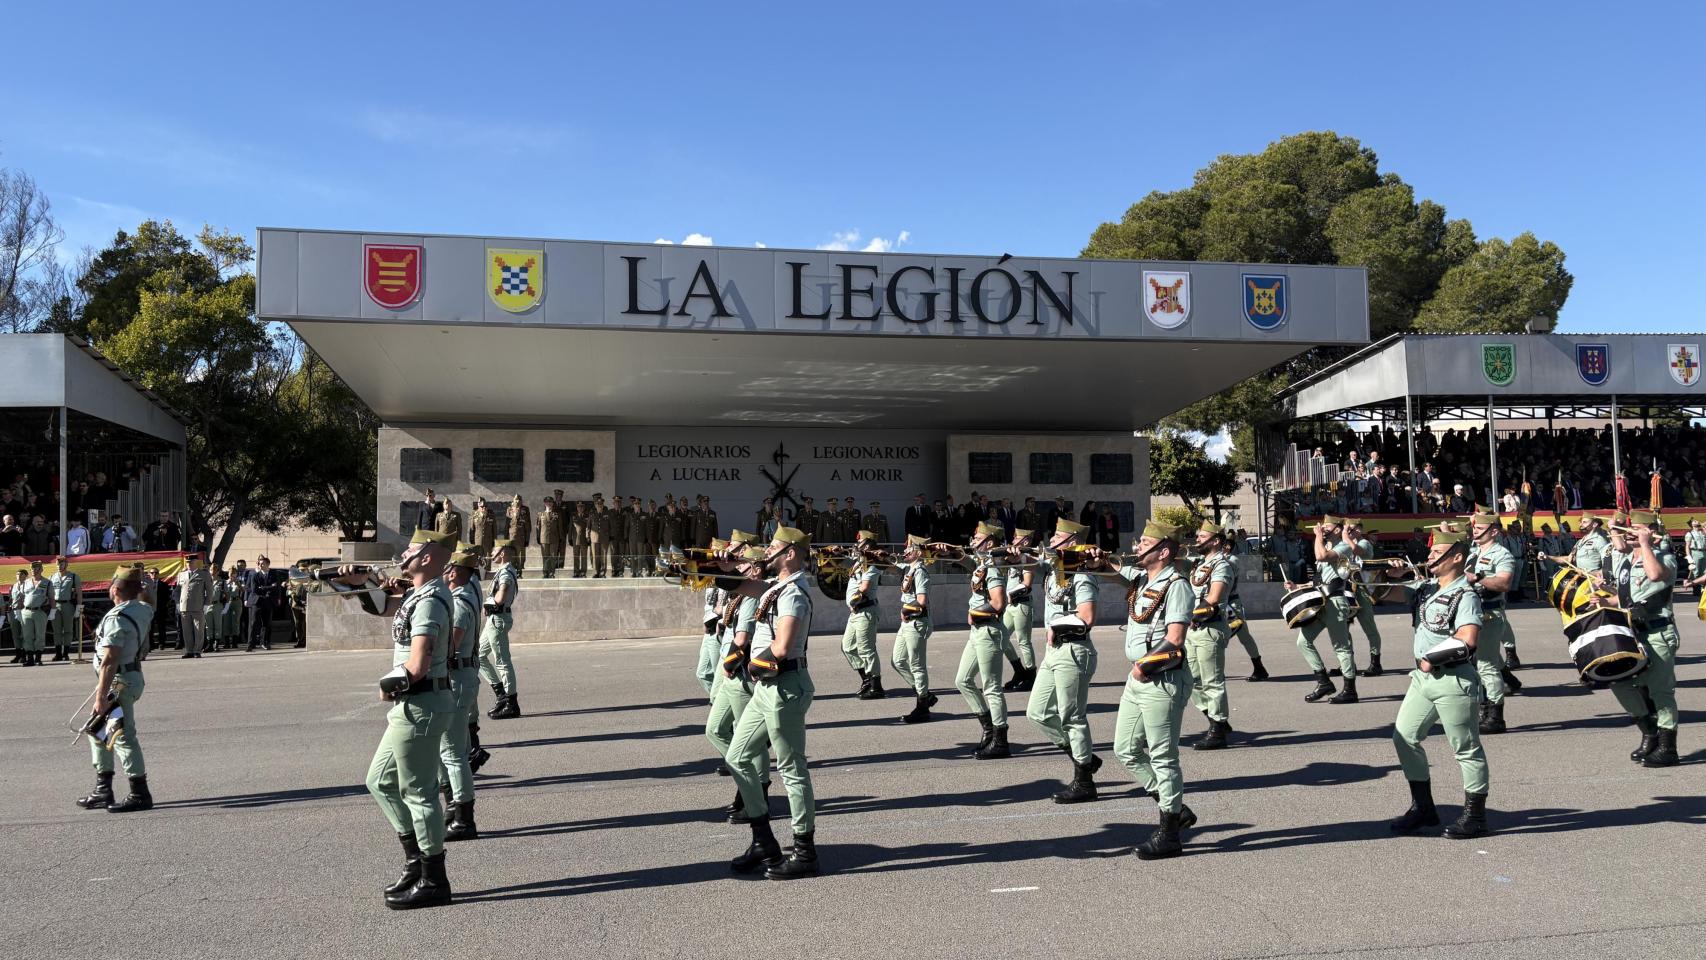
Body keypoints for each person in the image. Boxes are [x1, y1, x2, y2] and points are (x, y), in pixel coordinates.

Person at [333, 527, 457, 909]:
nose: (404, 553)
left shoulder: (433, 599)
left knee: (419, 793)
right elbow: (383, 606)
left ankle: (435, 878)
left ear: (429, 556)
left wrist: (389, 682)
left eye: (413, 549)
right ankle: (416, 861)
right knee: (379, 782)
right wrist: (352, 583)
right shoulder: (417, 595)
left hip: (419, 703)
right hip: (410, 706)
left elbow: (418, 663)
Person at [723, 526, 820, 880]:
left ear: (791, 553)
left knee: (792, 769)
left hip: (786, 687)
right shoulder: (775, 588)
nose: (766, 552)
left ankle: (805, 850)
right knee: (736, 757)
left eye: (774, 547)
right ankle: (763, 840)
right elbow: (737, 586)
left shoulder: (793, 593)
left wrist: (749, 661)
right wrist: (726, 566)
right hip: (767, 689)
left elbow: (781, 649)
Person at [1383, 527, 1491, 839]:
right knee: (1404, 737)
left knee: (1466, 748)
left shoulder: (1465, 594)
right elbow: (1383, 594)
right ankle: (1423, 807)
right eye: (1429, 553)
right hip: (1422, 681)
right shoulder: (1426, 588)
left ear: (1456, 557)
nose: (1429, 556)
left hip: (1452, 679)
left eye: (1436, 552)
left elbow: (1468, 639)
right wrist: (1384, 576)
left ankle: (1476, 816)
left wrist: (1432, 657)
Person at [1104, 519, 1198, 859]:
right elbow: (1113, 574)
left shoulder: (1177, 585)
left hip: (1161, 677)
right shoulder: (1143, 578)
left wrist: (1144, 666)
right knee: (1125, 749)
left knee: (1163, 756)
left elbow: (1175, 640)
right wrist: (1092, 559)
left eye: (1145, 541)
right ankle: (1176, 808)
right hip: (1138, 678)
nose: (1137, 545)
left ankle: (1169, 832)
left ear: (1164, 550)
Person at [1027, 518, 1101, 803]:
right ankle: (1084, 757)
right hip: (1054, 651)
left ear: (1072, 541)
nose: (1052, 538)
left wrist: (1057, 627)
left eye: (1058, 535)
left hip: (1073, 650)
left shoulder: (1081, 574)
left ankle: (1084, 780)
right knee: (1037, 712)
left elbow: (1088, 616)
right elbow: (1022, 564)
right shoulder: (1055, 569)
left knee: (1073, 716)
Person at [705, 544, 770, 820]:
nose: (737, 568)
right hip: (732, 669)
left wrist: (729, 664)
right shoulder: (740, 595)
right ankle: (747, 782)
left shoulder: (753, 596)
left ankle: (755, 791)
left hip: (741, 673)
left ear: (753, 570)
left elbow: (741, 639)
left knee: (752, 743)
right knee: (715, 729)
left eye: (741, 565)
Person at [1613, 510, 1681, 767]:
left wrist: (1645, 544)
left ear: (1650, 532)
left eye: (1637, 529)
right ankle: (1649, 731)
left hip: (1658, 633)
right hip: (1632, 633)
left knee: (1660, 691)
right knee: (1618, 682)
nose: (1629, 533)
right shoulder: (1627, 562)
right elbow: (1626, 599)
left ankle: (1667, 748)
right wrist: (1604, 600)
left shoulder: (1665, 559)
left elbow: (1654, 576)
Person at [1285, 516, 1359, 704]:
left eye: (1327, 525)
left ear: (1337, 529)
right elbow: (1320, 580)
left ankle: (1350, 690)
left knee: (1341, 647)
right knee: (1303, 641)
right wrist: (1297, 586)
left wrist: (1317, 536)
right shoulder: (1326, 546)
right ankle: (1323, 681)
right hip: (1320, 602)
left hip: (1335, 602)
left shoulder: (1342, 547)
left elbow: (1321, 557)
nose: (1323, 527)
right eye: (1322, 525)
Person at [437, 545, 484, 842]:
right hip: (462, 676)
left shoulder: (460, 602)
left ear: (453, 571)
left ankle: (463, 818)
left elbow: (449, 645)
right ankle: (454, 809)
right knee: (455, 751)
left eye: (444, 568)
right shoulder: (463, 595)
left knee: (452, 753)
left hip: (456, 677)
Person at [957, 521, 1012, 759]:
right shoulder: (983, 564)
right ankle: (988, 728)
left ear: (989, 542)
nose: (972, 541)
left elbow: (999, 603)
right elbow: (967, 562)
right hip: (978, 632)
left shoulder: (993, 568)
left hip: (988, 631)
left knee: (991, 687)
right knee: (963, 680)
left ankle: (1000, 739)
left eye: (976, 538)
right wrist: (951, 553)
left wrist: (975, 613)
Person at [1465, 508, 1518, 733]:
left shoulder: (1502, 554)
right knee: (1477, 665)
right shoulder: (1472, 552)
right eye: (1474, 528)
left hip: (1489, 613)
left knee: (1487, 665)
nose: (1474, 531)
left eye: (1479, 528)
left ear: (1494, 531)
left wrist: (1478, 577)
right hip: (1470, 613)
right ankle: (1484, 707)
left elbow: (1504, 583)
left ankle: (1495, 716)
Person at [1185, 522, 1236, 750]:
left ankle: (1217, 729)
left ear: (1215, 540)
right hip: (1192, 629)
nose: (1197, 539)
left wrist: (1190, 615)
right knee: (1193, 680)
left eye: (1202, 536)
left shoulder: (1221, 565)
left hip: (1209, 627)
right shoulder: (1199, 564)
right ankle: (1217, 719)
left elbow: (1214, 598)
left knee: (1212, 681)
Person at [893, 534, 937, 724]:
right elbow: (888, 566)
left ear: (918, 552)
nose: (904, 551)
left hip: (916, 621)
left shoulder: (920, 571)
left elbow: (922, 602)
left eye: (908, 548)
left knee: (917, 666)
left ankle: (922, 707)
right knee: (897, 661)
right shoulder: (909, 568)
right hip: (907, 622)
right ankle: (925, 695)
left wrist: (905, 609)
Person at [480, 539, 522, 720]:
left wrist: (492, 602)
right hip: (494, 619)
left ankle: (511, 703)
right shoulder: (503, 570)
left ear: (502, 552)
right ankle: (501, 695)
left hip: (498, 618)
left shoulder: (505, 572)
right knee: (479, 655)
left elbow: (503, 592)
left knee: (502, 661)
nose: (492, 553)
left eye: (495, 550)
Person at [1340, 520, 1386, 676]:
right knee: (1343, 629)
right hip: (1347, 591)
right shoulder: (1344, 544)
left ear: (1359, 530)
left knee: (1369, 628)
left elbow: (1356, 550)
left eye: (1351, 529)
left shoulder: (1365, 543)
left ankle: (1376, 663)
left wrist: (1345, 536)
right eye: (1347, 530)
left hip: (1362, 590)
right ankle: (1347, 663)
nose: (1348, 532)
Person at [842, 530, 884, 699]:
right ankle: (866, 678)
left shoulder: (873, 564)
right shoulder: (859, 562)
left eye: (859, 543)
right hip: (856, 612)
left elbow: (865, 587)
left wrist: (853, 600)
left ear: (867, 545)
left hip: (865, 610)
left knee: (867, 649)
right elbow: (841, 564)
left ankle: (876, 686)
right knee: (848, 646)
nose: (856, 545)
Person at [999, 528, 1039, 691]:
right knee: (1001, 637)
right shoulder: (1012, 556)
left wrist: (1009, 594)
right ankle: (1018, 670)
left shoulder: (1028, 558)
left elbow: (1026, 584)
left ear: (1026, 542)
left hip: (1022, 604)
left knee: (1024, 641)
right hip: (1010, 606)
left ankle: (1031, 675)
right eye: (1014, 537)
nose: (1014, 540)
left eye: (1018, 538)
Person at [694, 542, 731, 695]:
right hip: (708, 627)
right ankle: (718, 701)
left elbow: (724, 605)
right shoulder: (710, 575)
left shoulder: (726, 575)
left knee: (719, 675)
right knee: (702, 673)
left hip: (717, 628)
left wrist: (718, 617)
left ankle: (721, 705)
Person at [16, 560, 52, 665]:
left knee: (40, 635)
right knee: (27, 636)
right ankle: (30, 659)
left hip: (40, 611)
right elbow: (21, 598)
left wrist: (53, 611)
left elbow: (51, 598)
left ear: (41, 570)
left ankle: (38, 658)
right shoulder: (26, 583)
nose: (33, 570)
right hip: (26, 611)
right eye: (32, 569)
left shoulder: (47, 582)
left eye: (36, 568)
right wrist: (18, 610)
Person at [176, 553, 211, 659]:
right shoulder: (181, 574)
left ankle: (197, 650)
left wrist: (206, 604)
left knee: (198, 630)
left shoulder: (204, 574)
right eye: (187, 563)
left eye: (191, 562)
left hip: (198, 606)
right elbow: (177, 591)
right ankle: (189, 650)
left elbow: (209, 591)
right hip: (184, 607)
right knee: (186, 630)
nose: (189, 564)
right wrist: (178, 603)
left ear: (196, 562)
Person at [50, 556, 82, 661]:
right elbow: (50, 594)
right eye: (58, 564)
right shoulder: (52, 577)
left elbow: (79, 593)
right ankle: (58, 653)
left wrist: (79, 607)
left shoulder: (73, 576)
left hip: (68, 605)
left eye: (61, 564)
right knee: (56, 630)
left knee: (68, 630)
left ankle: (66, 653)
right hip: (55, 606)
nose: (59, 566)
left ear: (66, 564)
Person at [247, 555, 283, 651]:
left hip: (268, 602)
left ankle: (265, 643)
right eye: (259, 563)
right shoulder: (255, 575)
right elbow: (254, 590)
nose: (260, 565)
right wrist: (268, 588)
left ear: (268, 564)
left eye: (262, 563)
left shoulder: (274, 574)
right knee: (254, 623)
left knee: (267, 624)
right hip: (257, 602)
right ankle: (250, 644)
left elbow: (276, 587)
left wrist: (262, 588)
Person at [536, 496, 563, 579]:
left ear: (552, 503)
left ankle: (551, 573)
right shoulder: (540, 514)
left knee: (553, 557)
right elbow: (538, 527)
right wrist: (538, 537)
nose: (549, 504)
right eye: (547, 502)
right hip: (544, 538)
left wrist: (561, 538)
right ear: (544, 503)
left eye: (550, 502)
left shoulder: (557, 515)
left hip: (554, 539)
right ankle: (545, 572)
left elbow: (560, 527)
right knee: (545, 557)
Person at [1685, 519, 1706, 589]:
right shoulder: (1690, 534)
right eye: (1694, 521)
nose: (1697, 521)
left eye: (1697, 520)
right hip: (1696, 552)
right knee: (1696, 572)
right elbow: (1687, 546)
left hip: (1704, 552)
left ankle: (1703, 588)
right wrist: (1689, 557)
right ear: (1692, 525)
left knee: (1705, 571)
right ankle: (1696, 589)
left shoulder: (1703, 532)